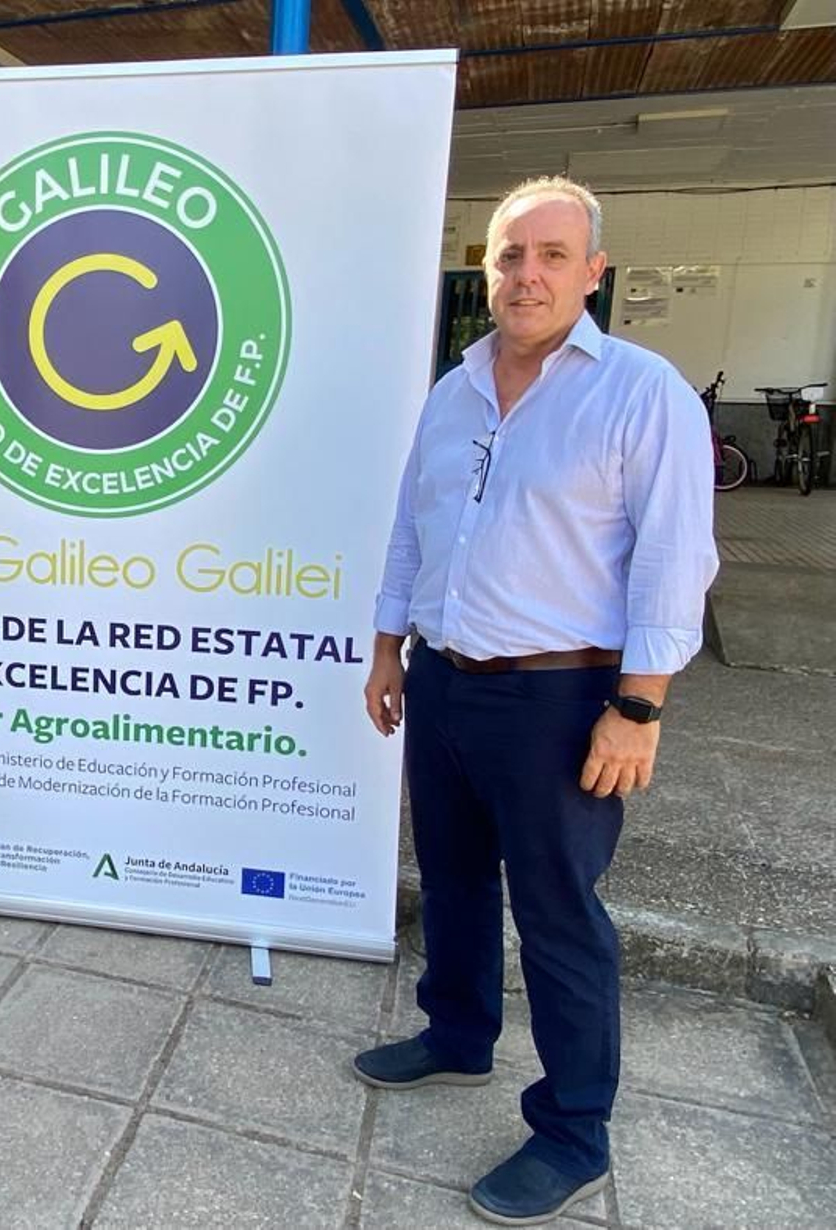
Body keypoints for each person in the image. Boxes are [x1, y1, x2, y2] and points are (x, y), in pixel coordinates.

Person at [358, 176, 717, 1226]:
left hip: (563, 698)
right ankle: (457, 1033)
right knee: (456, 877)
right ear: (486, 268)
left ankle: (571, 1130)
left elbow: (673, 558)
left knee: (559, 917)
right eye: (511, 255)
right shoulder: (454, 387)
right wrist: (388, 648)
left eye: (553, 256)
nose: (528, 275)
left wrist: (638, 707)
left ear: (593, 273)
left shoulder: (640, 391)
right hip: (446, 679)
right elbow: (410, 528)